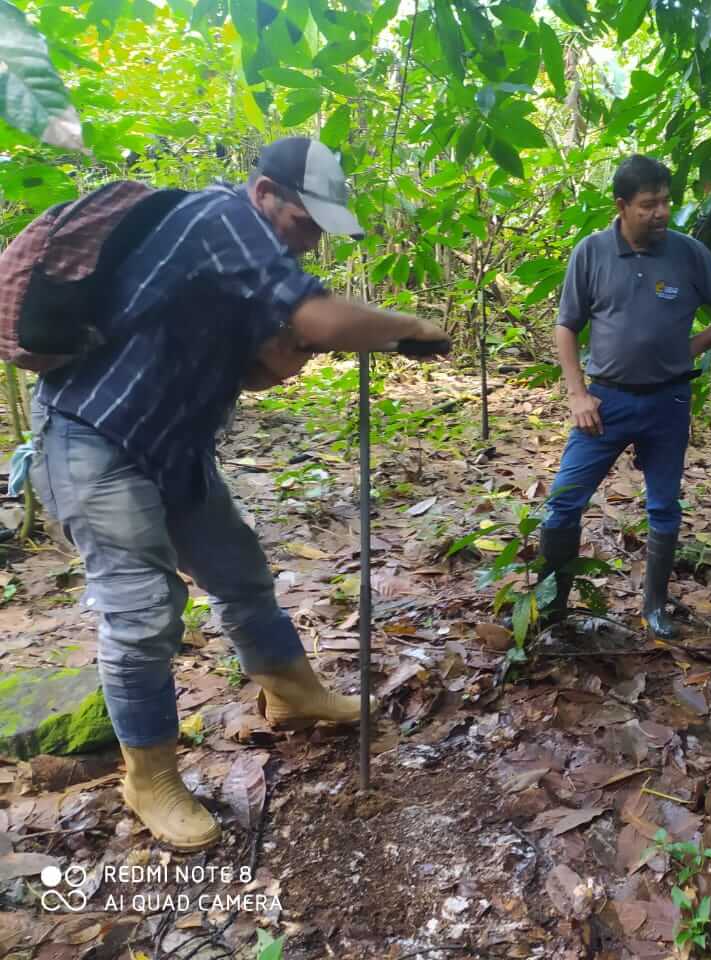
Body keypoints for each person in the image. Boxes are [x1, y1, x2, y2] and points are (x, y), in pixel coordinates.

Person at [28, 137, 450, 852]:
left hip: (171, 446)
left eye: (319, 228)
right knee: (142, 610)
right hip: (94, 436)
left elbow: (259, 371)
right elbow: (317, 316)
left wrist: (289, 355)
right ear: (263, 196)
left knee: (240, 572)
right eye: (304, 222)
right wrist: (405, 328)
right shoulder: (218, 219)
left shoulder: (251, 262)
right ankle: (149, 775)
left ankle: (291, 693)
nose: (309, 240)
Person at [538, 155, 711, 638]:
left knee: (663, 506)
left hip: (668, 402)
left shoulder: (687, 252)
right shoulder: (591, 252)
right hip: (604, 402)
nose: (661, 213)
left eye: (666, 202)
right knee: (564, 503)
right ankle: (552, 611)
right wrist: (577, 394)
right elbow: (567, 325)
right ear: (622, 205)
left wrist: (690, 347)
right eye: (649, 204)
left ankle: (654, 607)